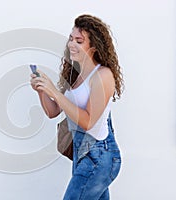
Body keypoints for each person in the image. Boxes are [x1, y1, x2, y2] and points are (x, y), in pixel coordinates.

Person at [30, 14, 124, 200]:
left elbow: (88, 122)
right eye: (71, 39)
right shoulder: (74, 74)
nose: (72, 44)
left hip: (99, 156)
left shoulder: (103, 75)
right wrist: (41, 90)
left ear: (94, 47)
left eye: (79, 41)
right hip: (82, 155)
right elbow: (53, 112)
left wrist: (54, 92)